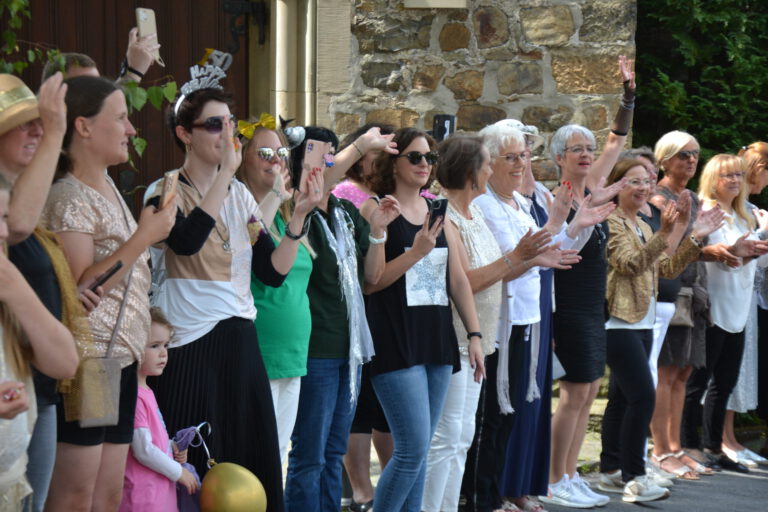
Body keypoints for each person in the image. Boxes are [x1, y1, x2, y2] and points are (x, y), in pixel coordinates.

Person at [146, 77, 323, 511]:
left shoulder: (241, 196)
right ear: (184, 134)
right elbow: (185, 242)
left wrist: (297, 218)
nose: (227, 135)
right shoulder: (165, 188)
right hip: (189, 343)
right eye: (213, 125)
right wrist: (225, 174)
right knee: (197, 465)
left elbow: (272, 270)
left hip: (240, 339)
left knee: (251, 459)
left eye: (230, 125)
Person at [422, 134, 588, 512]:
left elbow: (499, 269)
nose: (490, 168)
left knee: (462, 436)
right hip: (456, 336)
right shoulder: (445, 215)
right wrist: (519, 256)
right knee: (448, 437)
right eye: (487, 162)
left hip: (478, 336)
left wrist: (531, 260)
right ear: (471, 171)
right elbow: (465, 281)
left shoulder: (474, 212)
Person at [42, 75, 175, 512]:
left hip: (122, 360)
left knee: (110, 494)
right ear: (82, 127)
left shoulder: (108, 186)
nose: (131, 129)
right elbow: (82, 288)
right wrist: (144, 235)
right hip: (92, 358)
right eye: (120, 118)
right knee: (77, 496)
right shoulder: (67, 194)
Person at [358, 127, 484, 512]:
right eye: (415, 157)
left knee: (422, 450)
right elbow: (372, 282)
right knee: (411, 449)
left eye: (430, 158)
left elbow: (457, 278)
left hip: (435, 339)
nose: (425, 164)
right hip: (395, 339)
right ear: (392, 163)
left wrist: (475, 334)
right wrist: (416, 252)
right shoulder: (376, 208)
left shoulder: (438, 211)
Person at [284, 125, 400, 512]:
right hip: (315, 348)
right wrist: (361, 145)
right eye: (322, 153)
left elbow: (371, 276)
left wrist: (379, 233)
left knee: (334, 452)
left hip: (348, 348)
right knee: (310, 454)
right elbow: (316, 182)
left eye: (335, 153)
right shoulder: (293, 209)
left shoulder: (345, 211)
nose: (330, 161)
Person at [598, 158, 721, 502]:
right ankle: (635, 477)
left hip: (642, 319)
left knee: (622, 399)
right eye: (633, 181)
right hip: (616, 320)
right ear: (618, 185)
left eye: (645, 183)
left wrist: (693, 236)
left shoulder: (642, 224)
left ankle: (611, 469)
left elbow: (664, 268)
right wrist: (667, 232)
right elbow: (629, 263)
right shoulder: (612, 222)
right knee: (643, 395)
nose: (642, 188)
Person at [545, 55, 636, 509]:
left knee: (585, 395)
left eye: (587, 148)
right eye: (576, 149)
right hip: (566, 305)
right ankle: (552, 477)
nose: (586, 154)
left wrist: (628, 96)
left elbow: (617, 142)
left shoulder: (594, 188)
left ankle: (569, 473)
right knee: (572, 393)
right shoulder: (553, 197)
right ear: (559, 158)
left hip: (592, 306)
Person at [681, 154, 768, 473]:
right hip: (712, 307)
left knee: (725, 382)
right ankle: (689, 444)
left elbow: (753, 264)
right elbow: (703, 256)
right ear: (712, 179)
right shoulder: (705, 210)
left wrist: (760, 245)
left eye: (739, 175)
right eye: (727, 175)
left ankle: (714, 447)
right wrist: (737, 252)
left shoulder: (745, 215)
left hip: (739, 309)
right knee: (697, 381)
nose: (734, 180)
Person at [237, 119, 315, 465]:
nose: (276, 161)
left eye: (282, 153)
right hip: (258, 350)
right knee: (253, 456)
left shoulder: (285, 215)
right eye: (266, 152)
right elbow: (245, 241)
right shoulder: (238, 207)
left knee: (276, 457)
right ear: (242, 158)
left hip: (292, 353)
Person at [0, 166, 78, 508]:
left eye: (5, 217)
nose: (5, 232)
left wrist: (16, 288)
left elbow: (65, 362)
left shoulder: (9, 291)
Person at [332, 124, 396, 511]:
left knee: (381, 405)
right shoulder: (348, 192)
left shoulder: (382, 194)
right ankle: (361, 490)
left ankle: (390, 482)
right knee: (359, 404)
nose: (385, 159)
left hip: (387, 311)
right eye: (379, 151)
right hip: (360, 308)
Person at [719, 142, 768, 467]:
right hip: (732, 294)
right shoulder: (744, 211)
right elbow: (748, 253)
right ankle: (722, 439)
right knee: (724, 370)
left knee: (739, 367)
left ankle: (730, 436)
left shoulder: (751, 208)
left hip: (748, 296)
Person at [120, 307, 198, 511]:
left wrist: (171, 446)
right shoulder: (134, 396)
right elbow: (142, 449)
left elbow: (152, 440)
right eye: (154, 346)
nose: (164, 353)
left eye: (166, 345)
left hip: (159, 495)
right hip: (143, 498)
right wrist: (178, 472)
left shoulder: (147, 392)